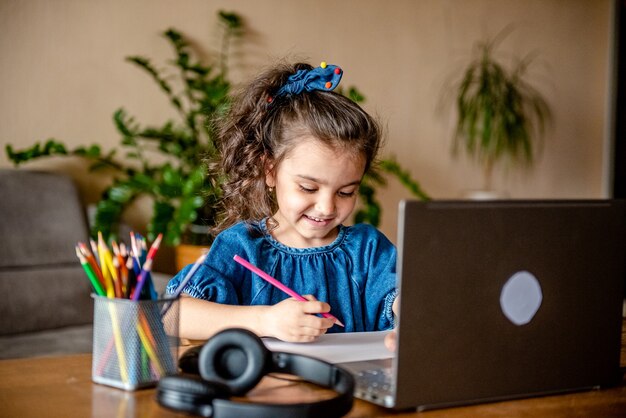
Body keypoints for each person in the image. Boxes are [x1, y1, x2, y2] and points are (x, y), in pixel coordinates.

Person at [166, 60, 398, 343]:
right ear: (270, 171)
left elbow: (404, 302)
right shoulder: (243, 246)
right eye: (308, 187)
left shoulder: (368, 250)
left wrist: (410, 322)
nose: (326, 207)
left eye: (346, 192)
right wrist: (267, 321)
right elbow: (171, 314)